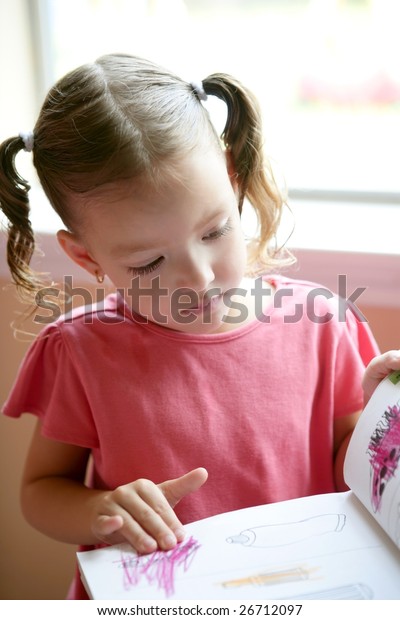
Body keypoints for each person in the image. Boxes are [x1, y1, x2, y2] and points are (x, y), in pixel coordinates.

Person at [0, 53, 379, 599]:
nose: (198, 279)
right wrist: (100, 510)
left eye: (215, 230)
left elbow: (351, 472)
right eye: (149, 263)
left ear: (231, 177)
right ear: (86, 258)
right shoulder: (80, 350)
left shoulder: (324, 323)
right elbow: (40, 492)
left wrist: (380, 426)